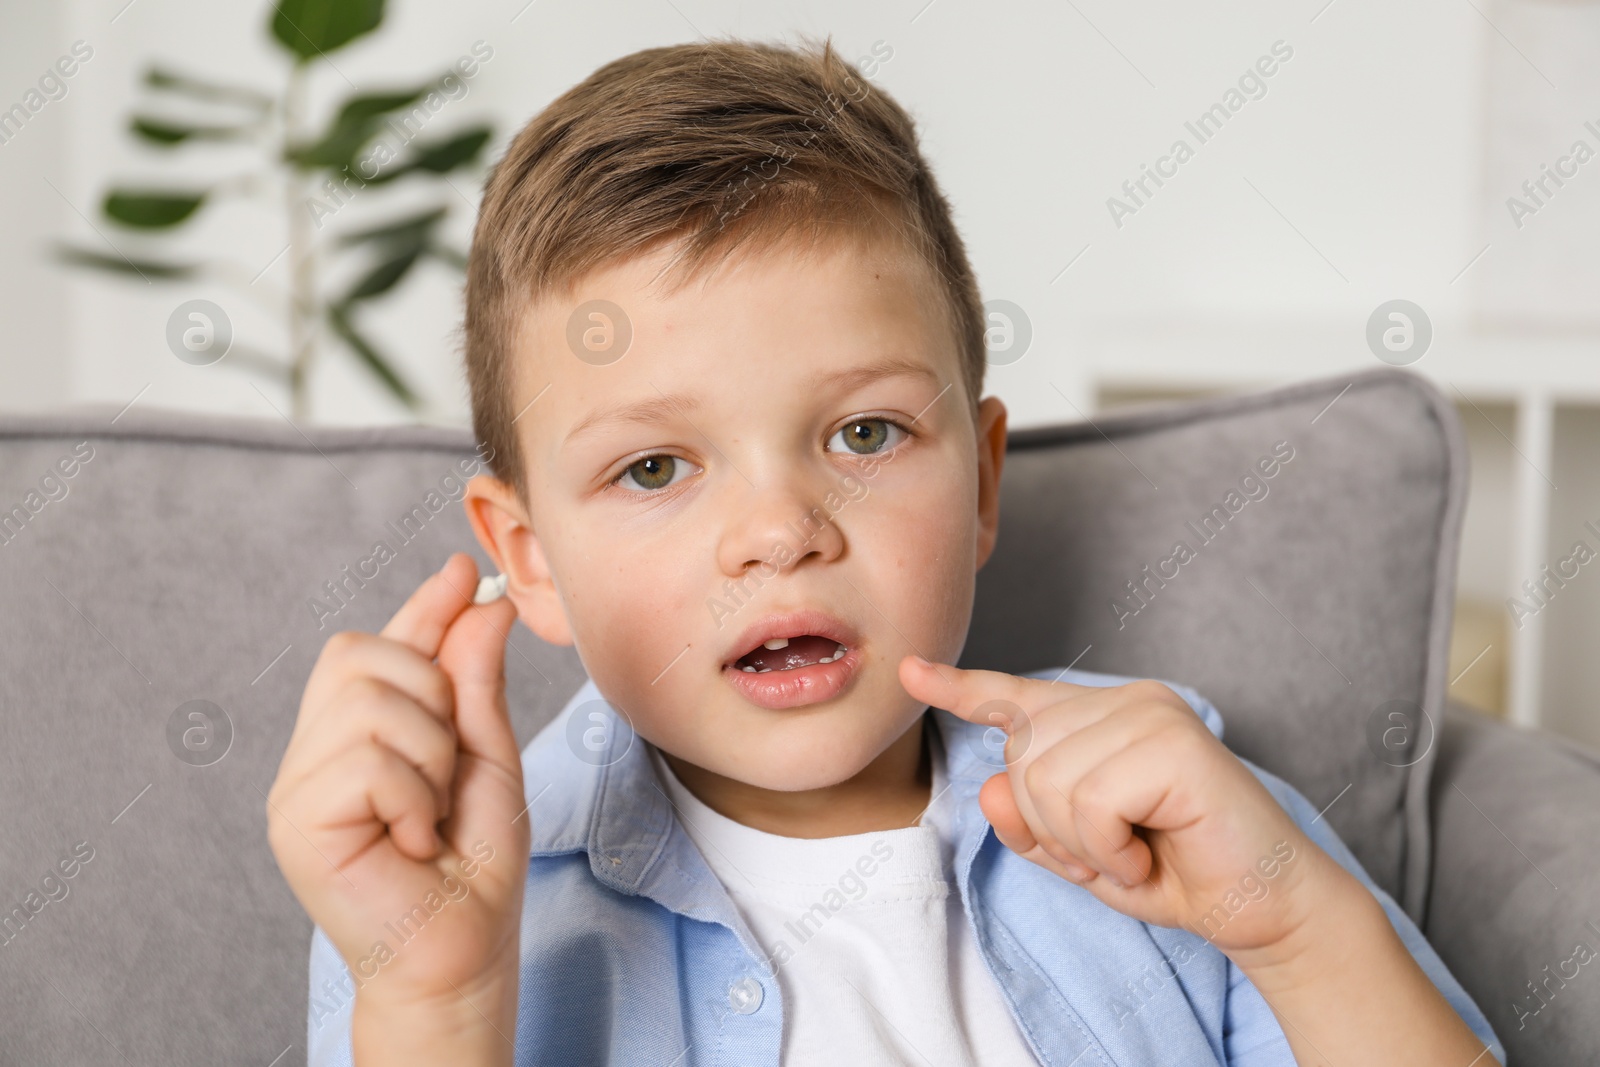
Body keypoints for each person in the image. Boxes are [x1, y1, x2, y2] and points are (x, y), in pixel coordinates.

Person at [266, 34, 1503, 1066]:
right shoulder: (436, 907)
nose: (777, 532)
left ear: (976, 482)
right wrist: (435, 1008)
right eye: (653, 466)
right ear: (528, 559)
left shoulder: (1174, 804)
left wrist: (1295, 924)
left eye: (863, 431)